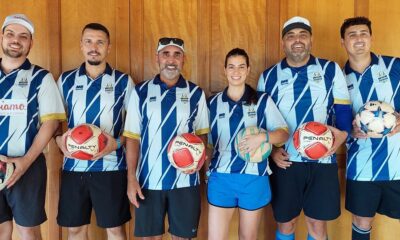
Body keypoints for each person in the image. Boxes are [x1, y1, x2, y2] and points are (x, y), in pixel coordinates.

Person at [257, 16, 353, 240]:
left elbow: (344, 112)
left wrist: (342, 137)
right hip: (285, 161)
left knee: (317, 226)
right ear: (283, 43)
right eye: (290, 36)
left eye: (302, 35)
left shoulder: (330, 70)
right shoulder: (268, 76)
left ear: (311, 40)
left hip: (322, 161)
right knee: (286, 224)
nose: (297, 40)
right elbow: (261, 123)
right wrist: (270, 152)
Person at [123, 37, 209, 239]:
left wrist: (199, 160)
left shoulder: (195, 93)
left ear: (183, 59)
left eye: (176, 54)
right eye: (166, 54)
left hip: (185, 181)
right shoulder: (141, 91)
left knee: (182, 237)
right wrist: (131, 178)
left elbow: (203, 134)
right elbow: (133, 138)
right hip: (148, 181)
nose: (171, 60)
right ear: (157, 58)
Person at [55, 23, 133, 240]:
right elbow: (53, 120)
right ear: (81, 45)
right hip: (73, 167)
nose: (94, 47)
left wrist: (116, 144)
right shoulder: (66, 80)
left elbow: (136, 126)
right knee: (75, 229)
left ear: (108, 47)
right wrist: (58, 140)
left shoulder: (123, 82)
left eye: (100, 42)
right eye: (88, 41)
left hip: (111, 167)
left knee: (115, 229)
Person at [207, 48, 289, 240]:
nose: (236, 72)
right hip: (221, 178)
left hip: (254, 178)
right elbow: (208, 146)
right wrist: (206, 173)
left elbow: (283, 134)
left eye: (241, 66)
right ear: (225, 70)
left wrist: (263, 137)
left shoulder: (262, 101)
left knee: (248, 237)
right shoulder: (212, 103)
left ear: (248, 69)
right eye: (231, 67)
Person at [0, 14, 66, 240]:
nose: (15, 40)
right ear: (2, 37)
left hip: (27, 166)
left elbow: (51, 123)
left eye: (23, 36)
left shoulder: (41, 77)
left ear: (31, 43)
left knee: (28, 230)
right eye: (10, 34)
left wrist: (24, 163)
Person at [340, 16, 400, 240]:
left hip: (397, 164)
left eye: (363, 33)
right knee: (361, 221)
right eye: (352, 35)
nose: (358, 39)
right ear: (343, 42)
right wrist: (349, 131)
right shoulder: (338, 78)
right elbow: (331, 121)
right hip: (361, 165)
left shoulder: (395, 67)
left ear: (371, 37)